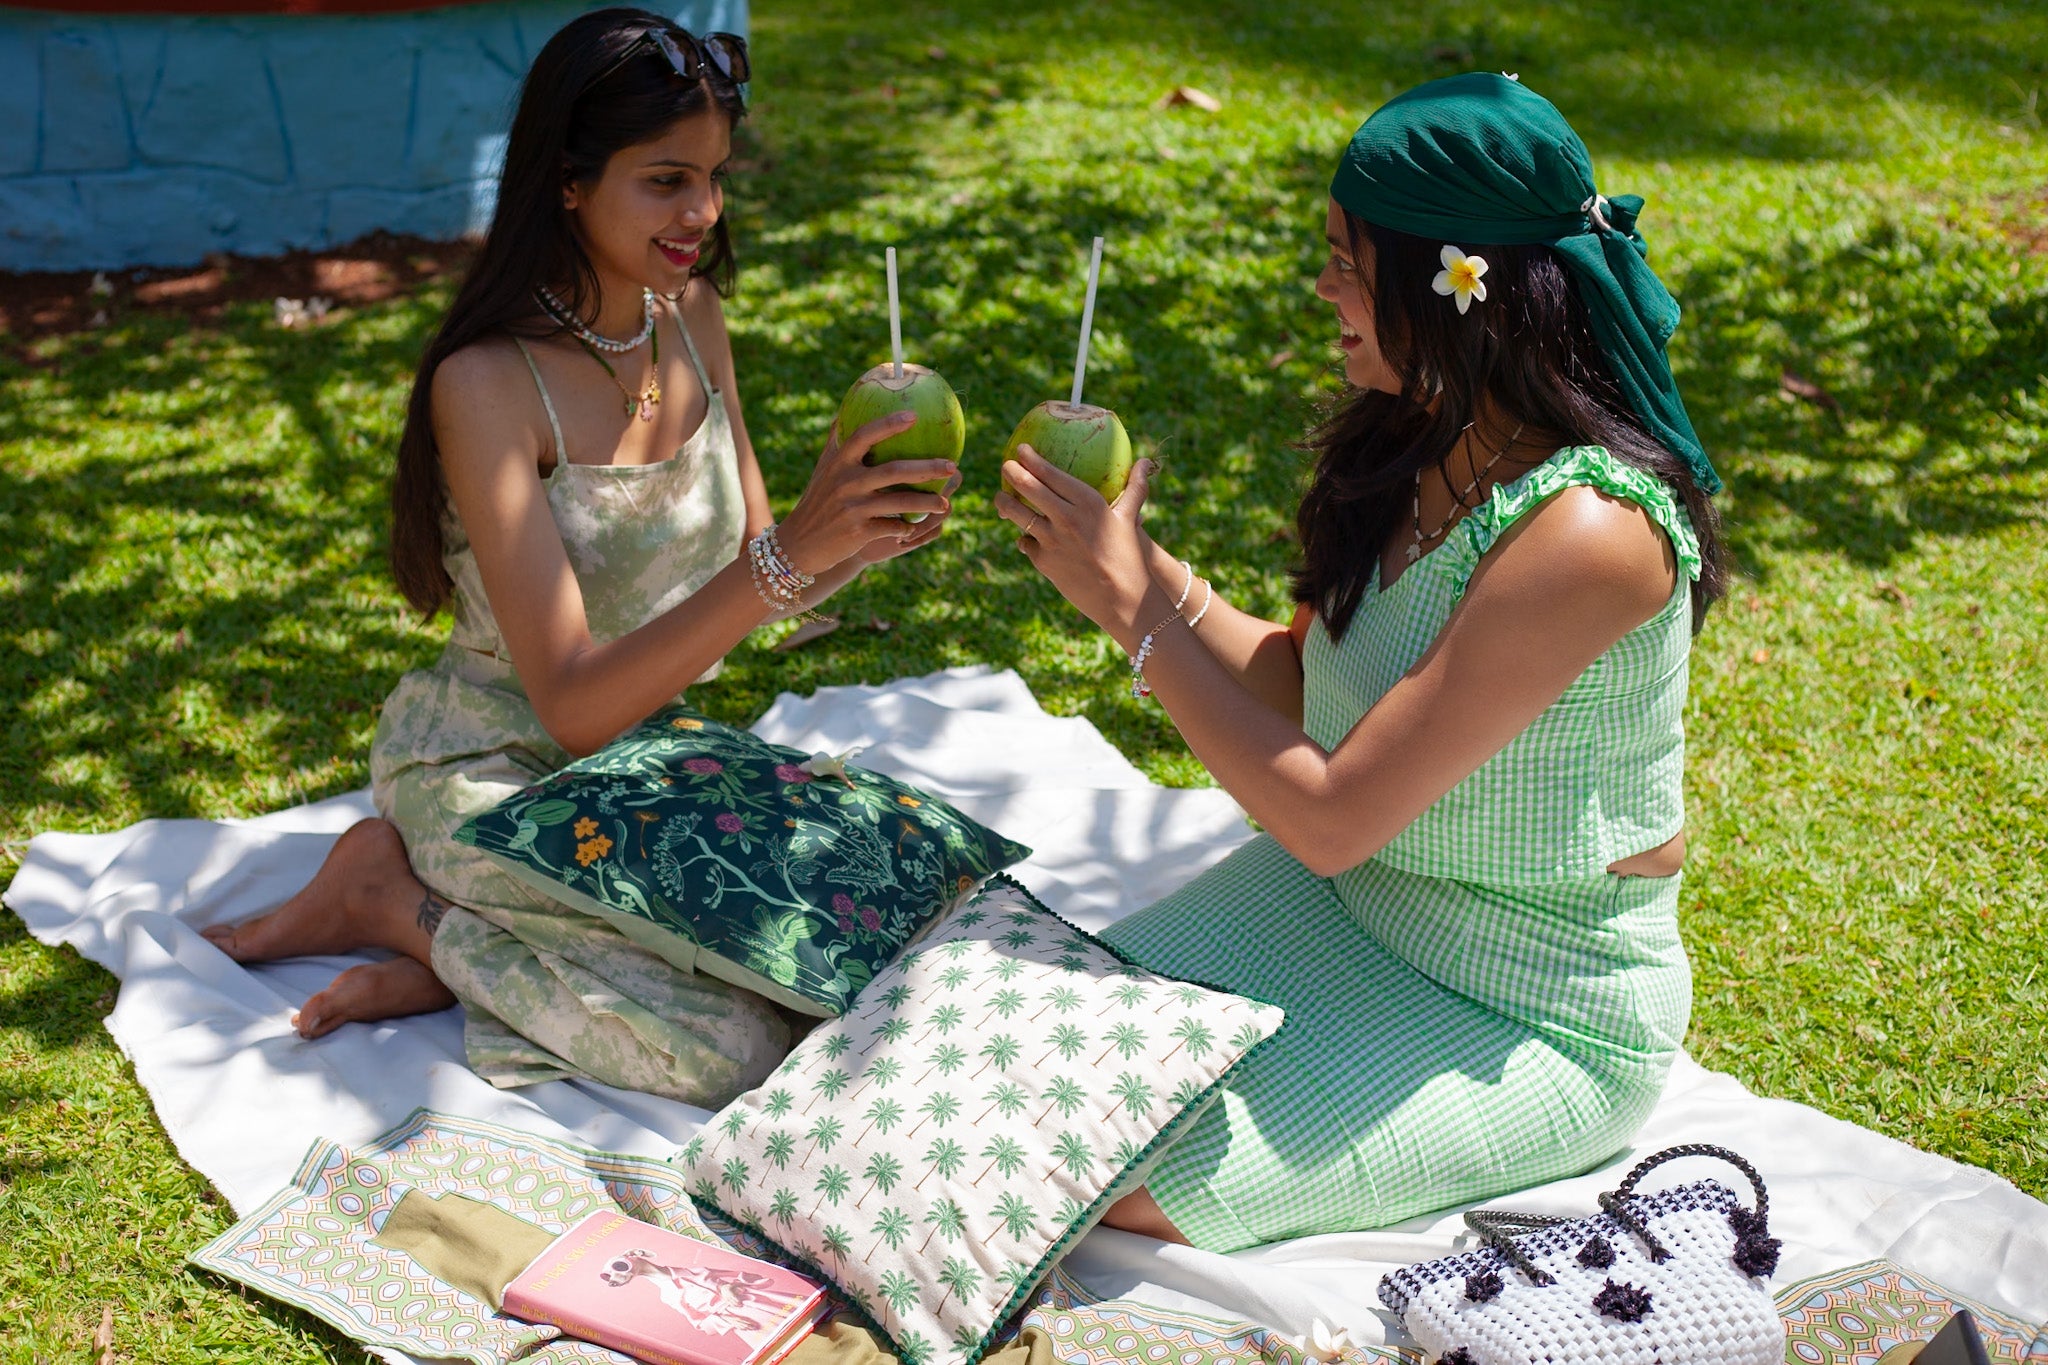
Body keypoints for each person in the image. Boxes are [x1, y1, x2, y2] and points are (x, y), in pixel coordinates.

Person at [1002, 73, 1728, 1250]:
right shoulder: (1409, 430)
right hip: (1335, 903)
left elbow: (1333, 815)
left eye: (1348, 260)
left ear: (1454, 282)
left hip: (1520, 1009)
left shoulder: (1591, 531)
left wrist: (1134, 610)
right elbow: (1300, 690)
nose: (1323, 287)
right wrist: (1131, 571)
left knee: (1094, 1176)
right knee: (1018, 1059)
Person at [203, 9, 957, 1106]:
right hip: (491, 766)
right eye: (665, 180)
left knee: (885, 938)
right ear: (567, 180)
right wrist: (790, 552)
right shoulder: (488, 383)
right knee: (730, 1049)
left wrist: (855, 528)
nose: (703, 211)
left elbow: (755, 574)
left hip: (650, 758)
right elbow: (567, 704)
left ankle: (465, 947)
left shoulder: (691, 316)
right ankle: (396, 905)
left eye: (712, 176)